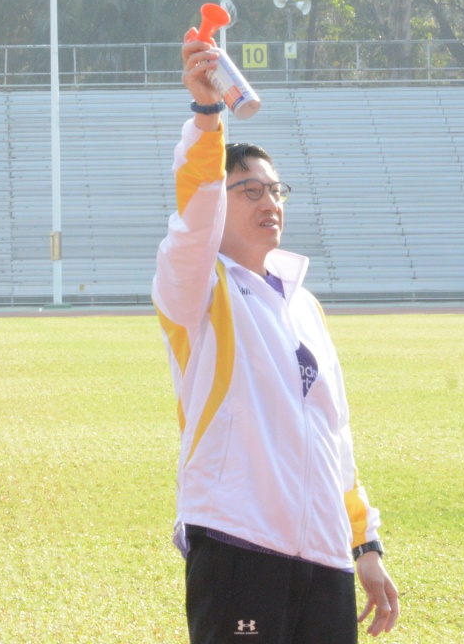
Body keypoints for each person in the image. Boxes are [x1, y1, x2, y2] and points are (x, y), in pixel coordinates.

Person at [155, 37, 402, 643]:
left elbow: (333, 432)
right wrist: (207, 116)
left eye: (275, 190)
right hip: (238, 544)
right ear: (219, 204)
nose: (269, 201)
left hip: (324, 556)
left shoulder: (304, 305)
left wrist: (363, 542)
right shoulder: (198, 291)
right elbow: (193, 214)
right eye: (250, 190)